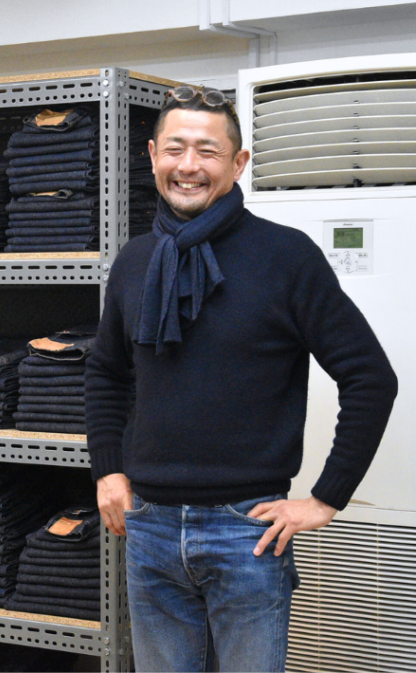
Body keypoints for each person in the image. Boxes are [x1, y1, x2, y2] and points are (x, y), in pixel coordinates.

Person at [85, 85, 398, 672]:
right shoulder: (135, 260)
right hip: (149, 525)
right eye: (175, 148)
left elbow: (370, 378)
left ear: (239, 163)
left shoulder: (287, 256)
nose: (188, 165)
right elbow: (106, 371)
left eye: (207, 151)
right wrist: (108, 469)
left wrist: (326, 499)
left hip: (246, 530)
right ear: (152, 156)